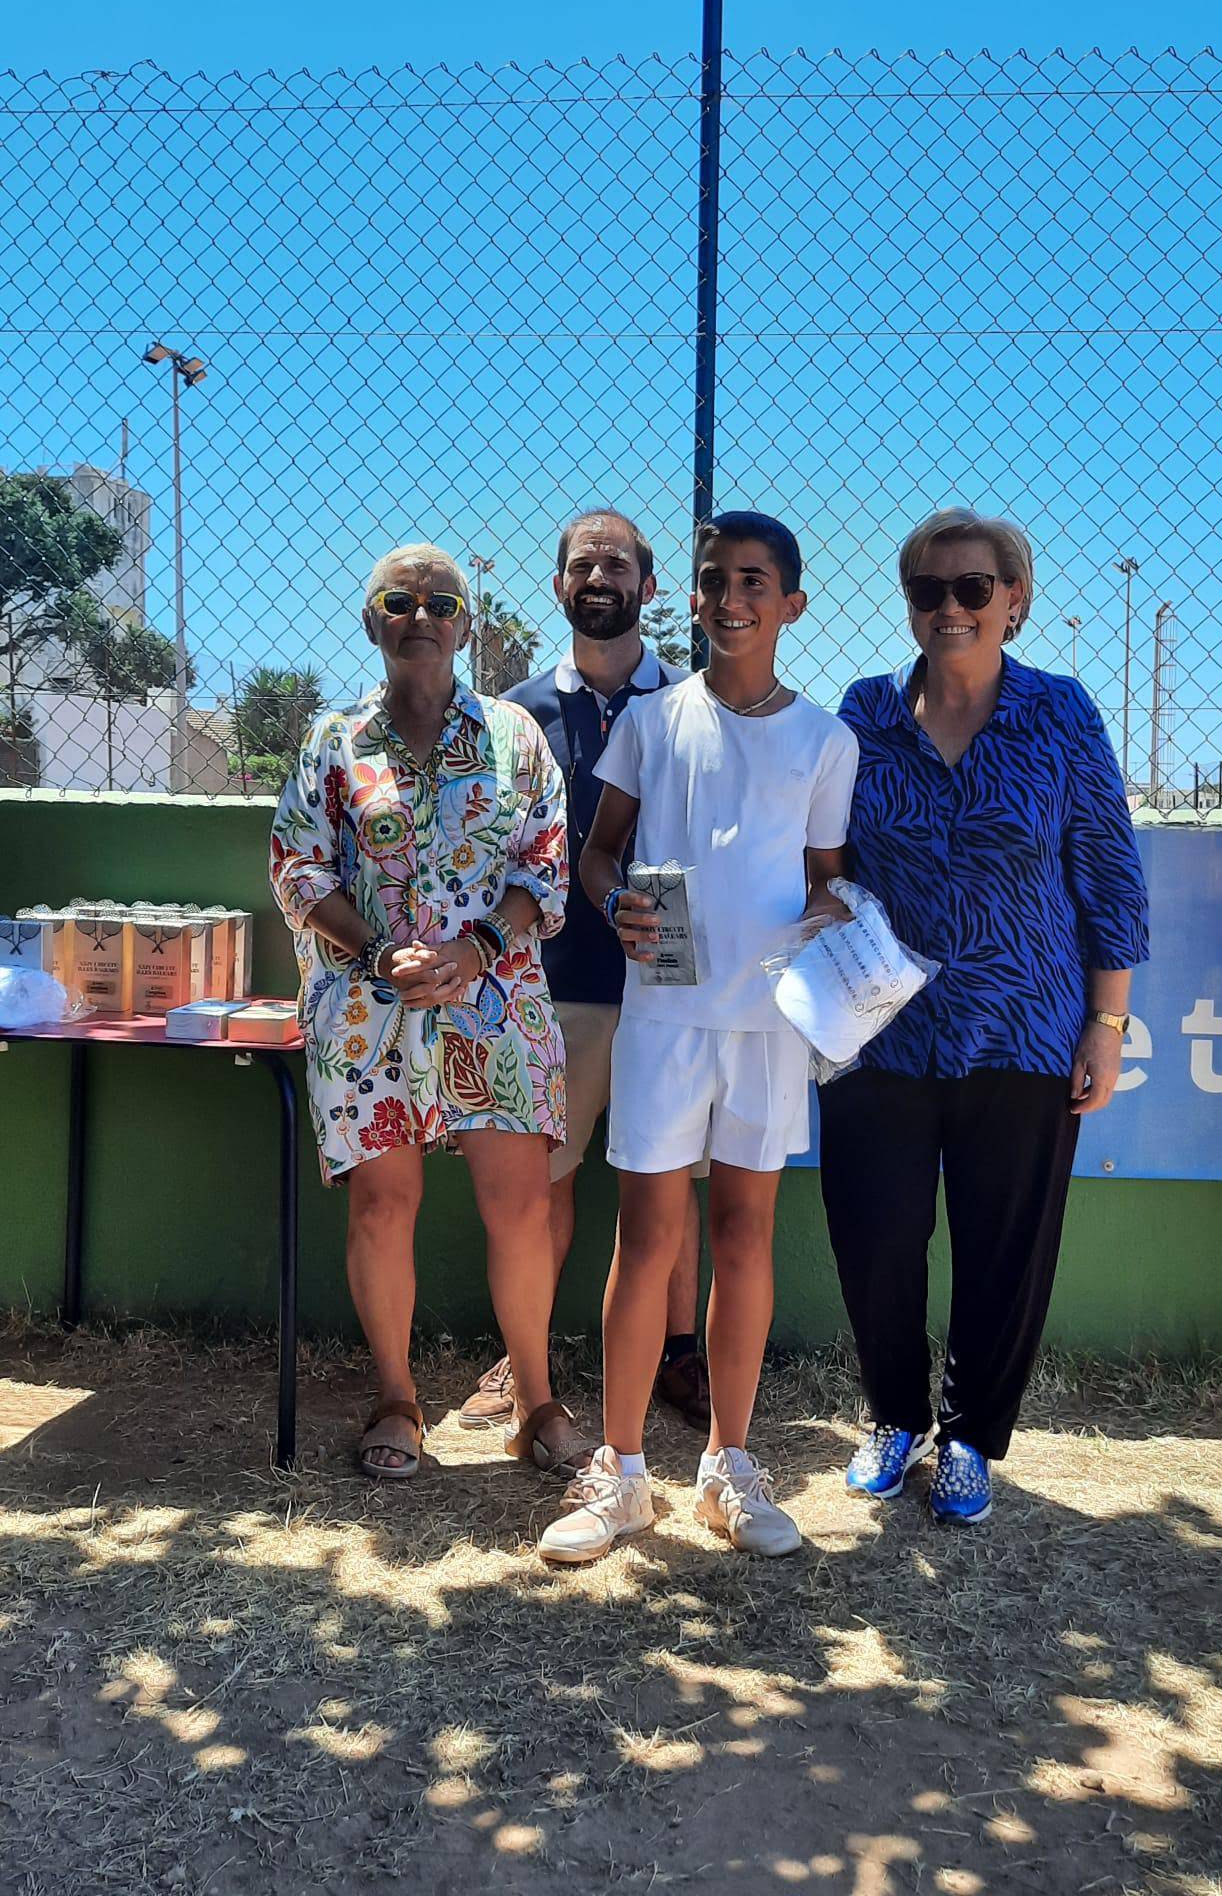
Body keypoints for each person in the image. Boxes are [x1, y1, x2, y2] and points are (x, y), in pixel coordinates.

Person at [537, 510, 859, 1564]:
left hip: (768, 1027)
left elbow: (826, 879)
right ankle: (623, 1473)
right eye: (716, 579)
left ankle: (727, 1464)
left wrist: (832, 916)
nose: (732, 599)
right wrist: (614, 900)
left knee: (745, 1236)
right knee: (646, 1238)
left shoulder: (826, 741)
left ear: (791, 604)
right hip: (663, 1016)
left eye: (754, 582)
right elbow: (599, 854)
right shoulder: (650, 720)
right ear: (693, 596)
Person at [817, 508, 1148, 1525]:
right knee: (876, 1238)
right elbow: (826, 860)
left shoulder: (1060, 711)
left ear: (1015, 599)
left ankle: (970, 1437)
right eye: (929, 589)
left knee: (1005, 1248)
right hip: (882, 1034)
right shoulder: (865, 711)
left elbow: (1109, 871)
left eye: (973, 588)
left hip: (1025, 1027)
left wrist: (1106, 1024)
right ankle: (895, 1419)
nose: (950, 607)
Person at [270, 543, 590, 1481]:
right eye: (399, 601)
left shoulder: (514, 738)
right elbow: (299, 868)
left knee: (521, 1205)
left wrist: (476, 949)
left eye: (441, 603)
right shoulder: (334, 743)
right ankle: (398, 1401)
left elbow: (545, 864)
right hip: (367, 1013)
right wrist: (378, 953)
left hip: (495, 1005)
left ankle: (535, 1403)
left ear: (466, 624)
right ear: (371, 619)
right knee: (383, 1204)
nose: (421, 617)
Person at [459, 509, 711, 1437]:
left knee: (670, 1182)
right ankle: (526, 1360)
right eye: (582, 565)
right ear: (559, 586)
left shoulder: (692, 703)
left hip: (665, 987)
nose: (599, 577)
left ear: (649, 586)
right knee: (545, 1184)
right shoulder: (511, 713)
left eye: (617, 564)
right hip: (551, 988)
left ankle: (680, 1355)